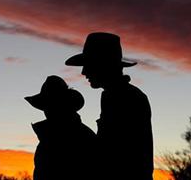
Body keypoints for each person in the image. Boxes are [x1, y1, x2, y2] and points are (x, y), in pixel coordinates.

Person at [65, 32, 153, 180]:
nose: (83, 72)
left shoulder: (126, 98)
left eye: (89, 65)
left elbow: (117, 156)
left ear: (103, 64)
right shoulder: (113, 96)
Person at [25, 75, 98, 180]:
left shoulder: (81, 137)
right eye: (47, 106)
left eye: (53, 105)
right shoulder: (49, 137)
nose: (48, 111)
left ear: (66, 106)